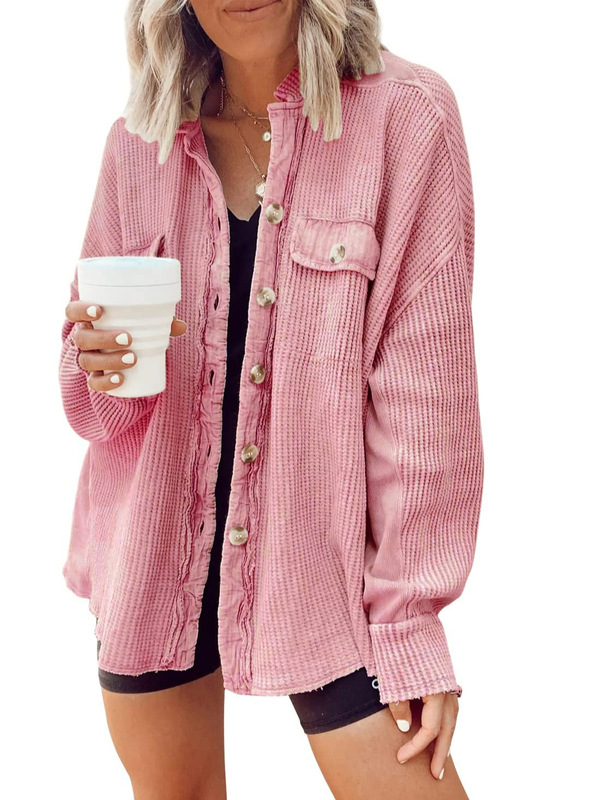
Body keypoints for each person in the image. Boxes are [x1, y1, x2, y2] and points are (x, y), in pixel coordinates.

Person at [59, 1, 484, 798]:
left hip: (328, 574)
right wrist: (96, 365)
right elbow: (93, 409)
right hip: (153, 561)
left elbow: (428, 403)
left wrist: (410, 620)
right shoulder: (139, 143)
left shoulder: (405, 117)